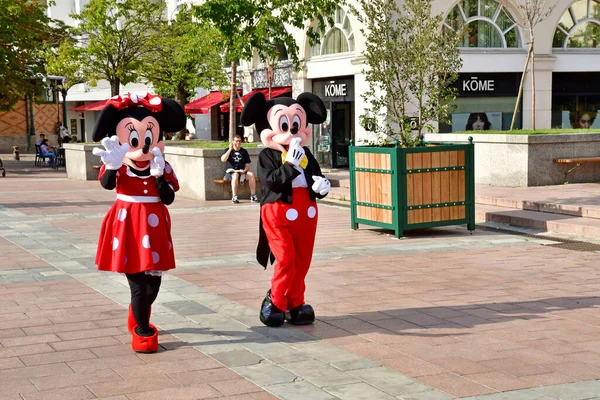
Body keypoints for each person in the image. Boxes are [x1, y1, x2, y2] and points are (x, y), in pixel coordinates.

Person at [91, 92, 186, 353]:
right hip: (128, 224)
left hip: (154, 225)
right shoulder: (118, 162)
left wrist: (159, 177)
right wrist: (111, 167)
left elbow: (168, 198)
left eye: (148, 137)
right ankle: (142, 331)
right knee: (138, 284)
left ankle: (137, 315)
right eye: (134, 138)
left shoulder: (161, 165)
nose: (142, 145)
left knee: (153, 284)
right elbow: (107, 185)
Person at [240, 92, 330, 327]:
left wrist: (321, 186)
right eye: (284, 125)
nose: (292, 131)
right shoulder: (267, 155)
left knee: (302, 259)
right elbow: (271, 181)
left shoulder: (307, 154)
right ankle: (275, 300)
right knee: (286, 258)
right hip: (278, 211)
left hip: (306, 212)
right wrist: (289, 164)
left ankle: (295, 302)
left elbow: (315, 177)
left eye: (296, 125)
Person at [220, 134, 258, 203]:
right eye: (236, 141)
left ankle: (253, 196)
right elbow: (223, 159)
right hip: (231, 173)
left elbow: (247, 164)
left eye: (239, 141)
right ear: (233, 142)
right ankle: (234, 197)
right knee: (235, 175)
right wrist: (230, 149)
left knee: (251, 175)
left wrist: (245, 170)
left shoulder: (244, 151)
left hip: (241, 171)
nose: (238, 143)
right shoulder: (227, 150)